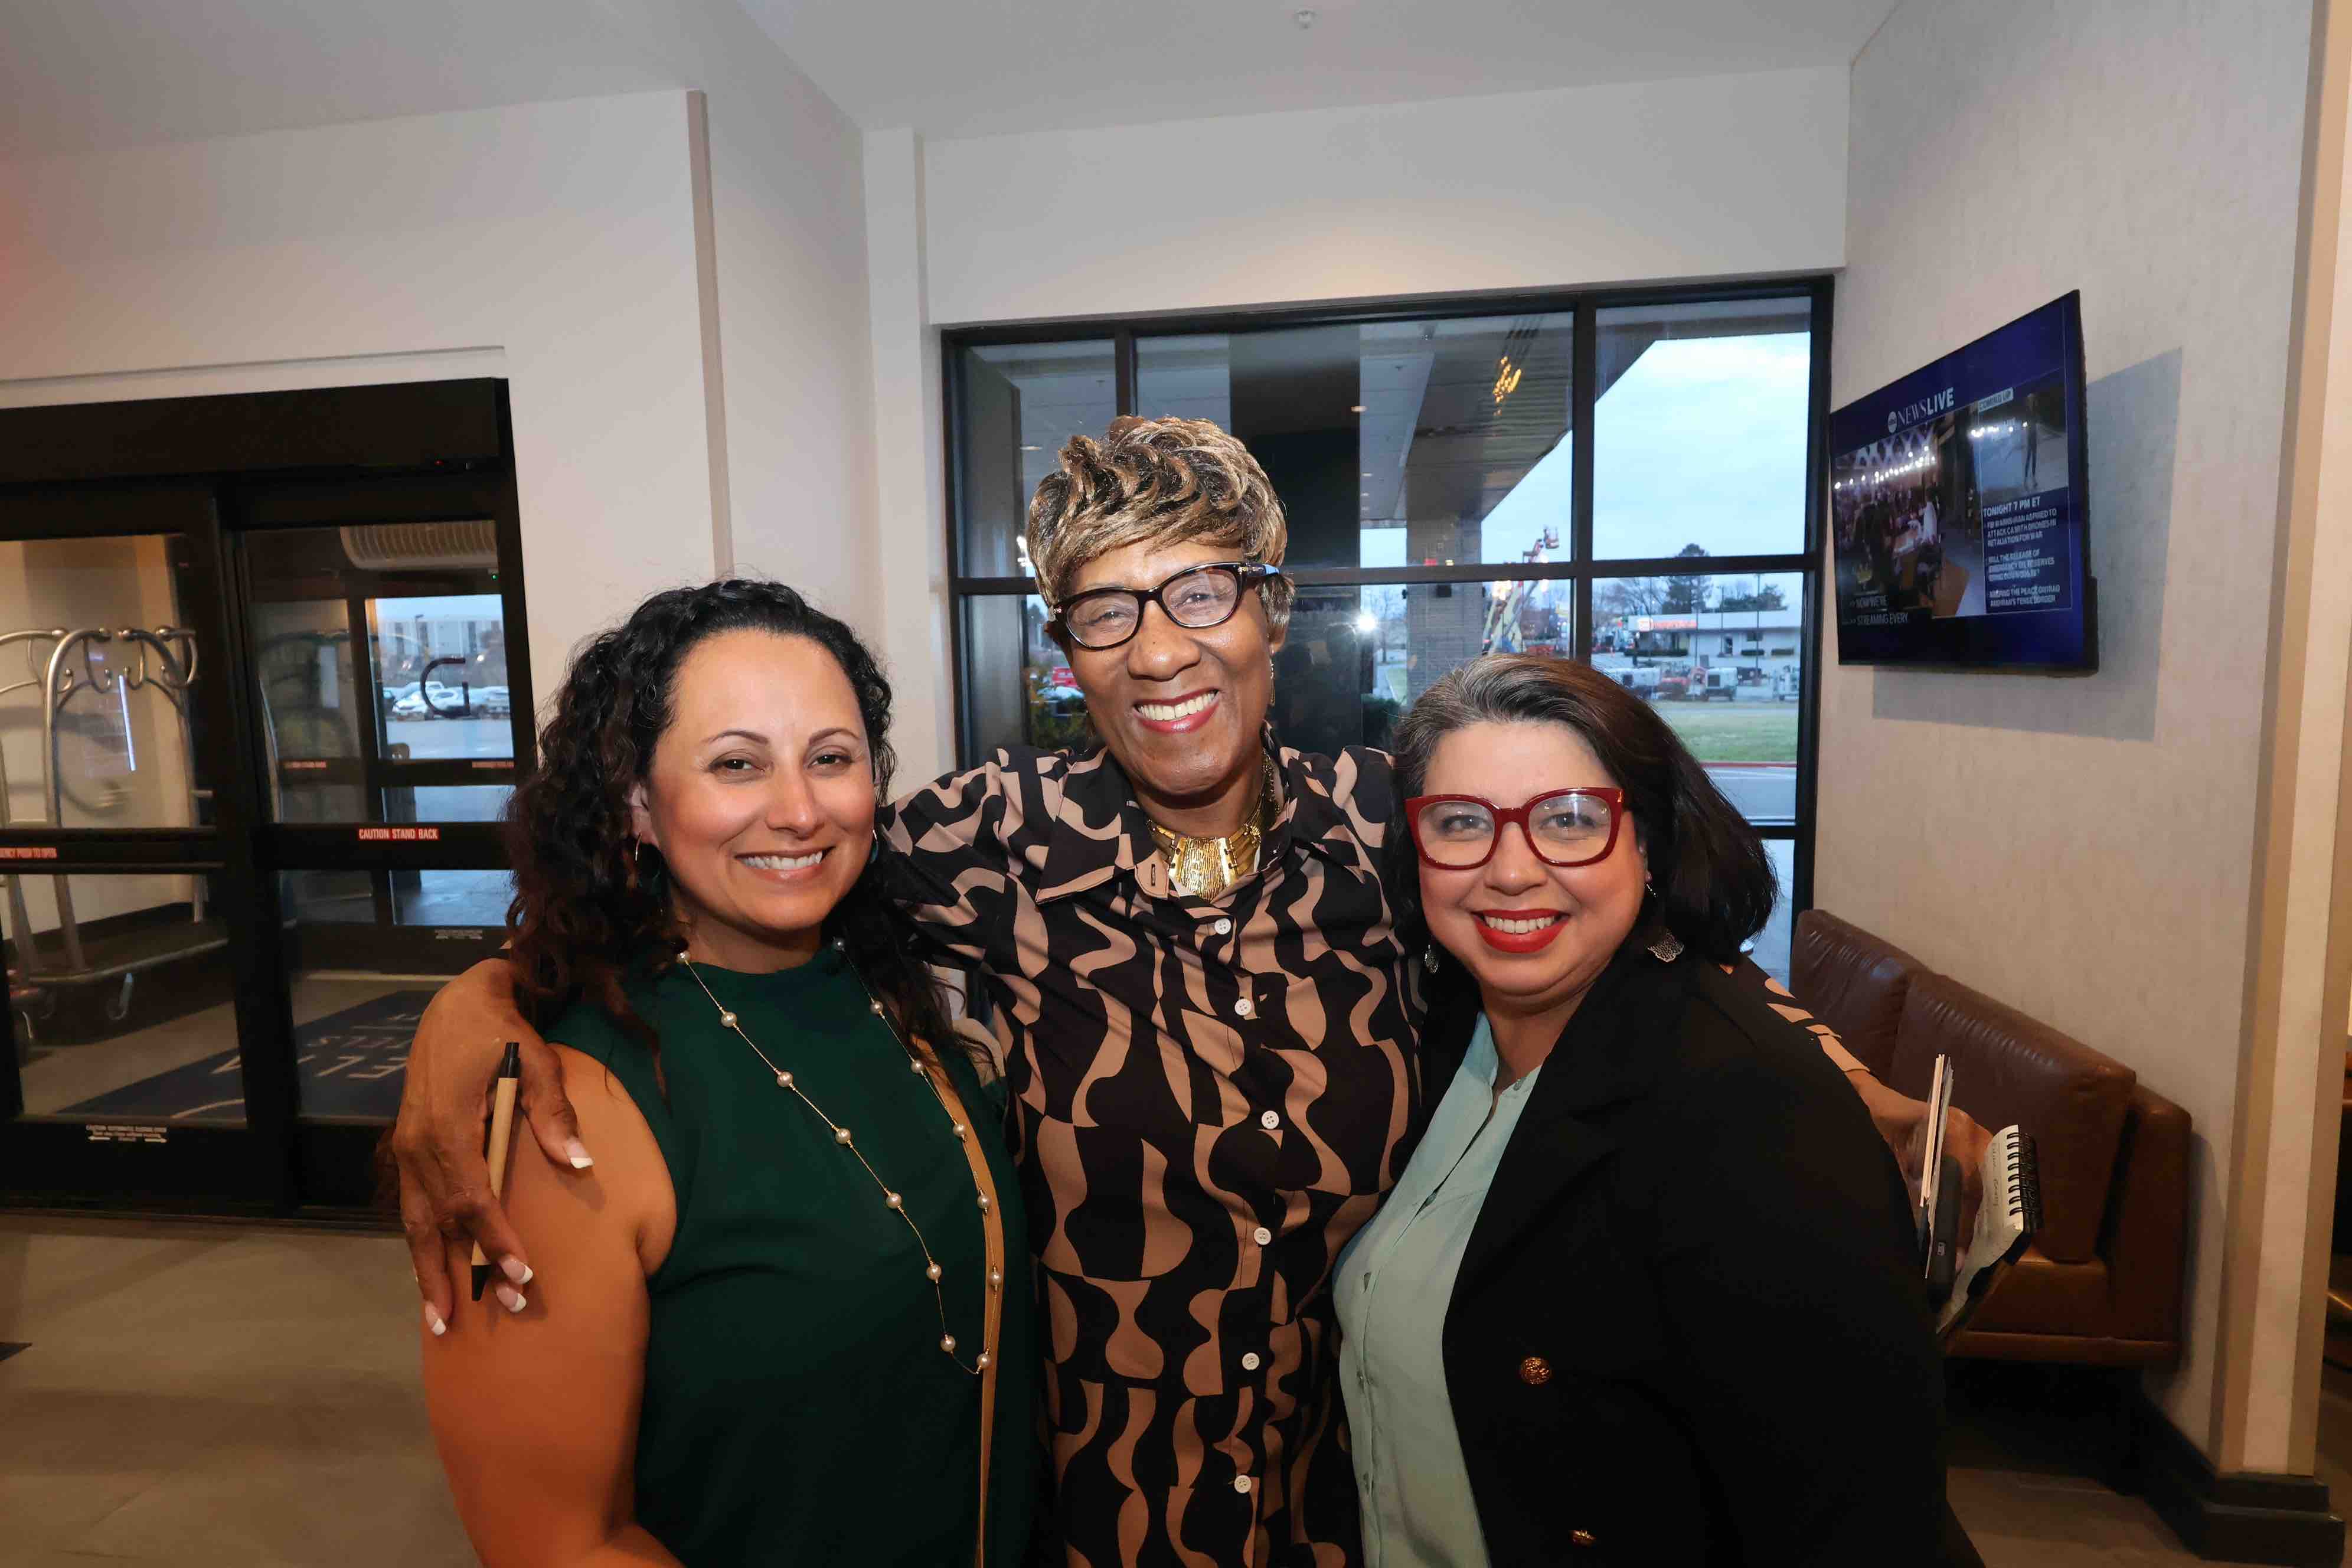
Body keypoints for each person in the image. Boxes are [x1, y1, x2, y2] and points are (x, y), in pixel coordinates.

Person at [393, 417, 1984, 1566]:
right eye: (1106, 608)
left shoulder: (1387, 826)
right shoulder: (981, 844)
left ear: (1274, 610)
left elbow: (1627, 950)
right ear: (1065, 651)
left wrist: (1852, 1089)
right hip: (1099, 1525)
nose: (1159, 648)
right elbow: (731, 882)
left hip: (1360, 1514)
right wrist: (466, 1019)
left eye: (1203, 590)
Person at [418, 582, 1034, 1567]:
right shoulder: (570, 1102)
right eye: (736, 764)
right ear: (637, 803)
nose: (798, 810)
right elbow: (556, 1543)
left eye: (830, 758)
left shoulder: (889, 990)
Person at [1337, 655, 1944, 1565]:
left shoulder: (1755, 1116)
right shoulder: (1436, 1034)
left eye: (1568, 821)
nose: (1512, 871)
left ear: (1649, 845)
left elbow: (1857, 1521)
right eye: (1462, 823)